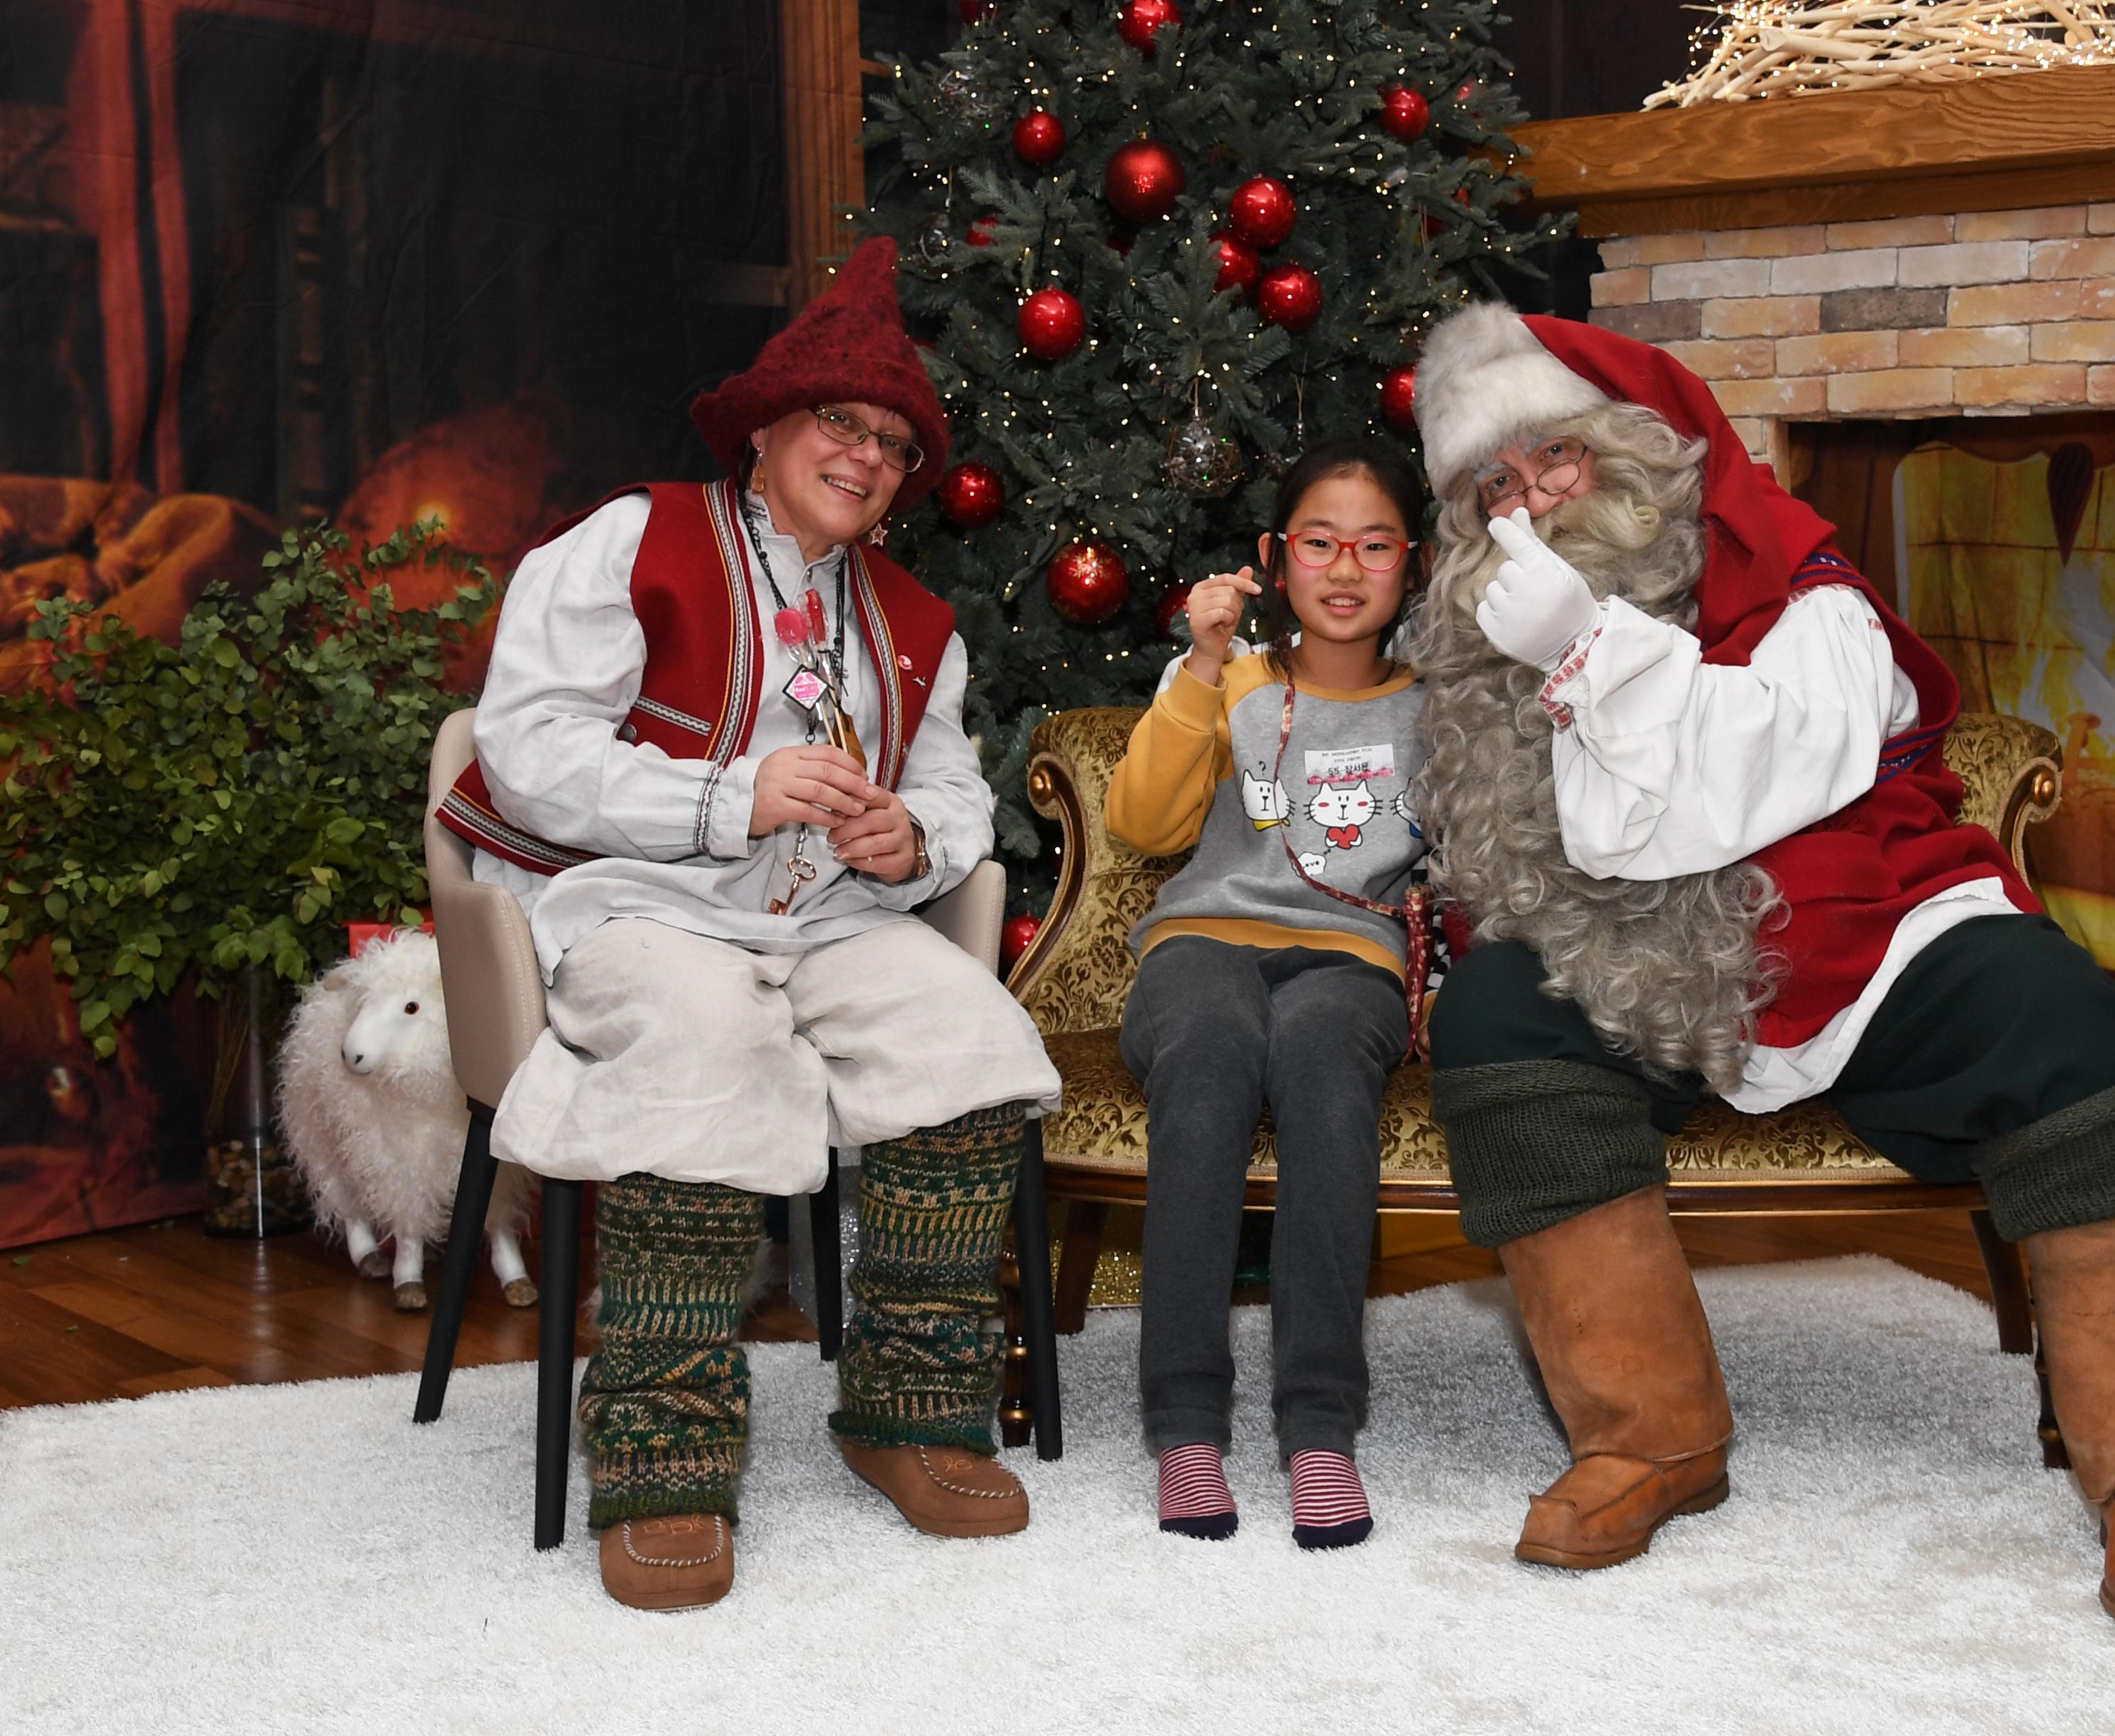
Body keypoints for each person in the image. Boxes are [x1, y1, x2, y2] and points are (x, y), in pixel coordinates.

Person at [1398, 303, 2115, 1628]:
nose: (1531, 507)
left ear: (1642, 451)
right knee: (1503, 1015)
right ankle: (1648, 1431)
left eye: (1553, 460)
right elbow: (1564, 853)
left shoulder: (1802, 588)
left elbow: (1756, 771)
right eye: (1493, 488)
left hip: (1870, 926)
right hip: (1644, 962)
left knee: (2062, 1021)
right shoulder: (1503, 641)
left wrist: (1587, 648)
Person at [438, 236, 1061, 1612]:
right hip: (640, 904)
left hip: (833, 918)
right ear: (768, 429)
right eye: (841, 421)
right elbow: (528, 744)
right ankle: (661, 1448)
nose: (866, 454)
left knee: (971, 1035)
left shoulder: (914, 624)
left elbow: (953, 786)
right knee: (704, 1037)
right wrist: (731, 797)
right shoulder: (631, 540)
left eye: (894, 444)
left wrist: (919, 836)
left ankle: (908, 1409)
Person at [1104, 439, 1432, 1548]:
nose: (1345, 568)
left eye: (1374, 544)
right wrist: (1201, 673)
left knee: (1326, 1069)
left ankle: (1319, 1429)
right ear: (1273, 559)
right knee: (1207, 1054)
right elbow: (1142, 826)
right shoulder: (1232, 680)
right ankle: (1187, 1423)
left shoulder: (1439, 712)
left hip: (1352, 955)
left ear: (1412, 563)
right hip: (1201, 938)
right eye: (1320, 542)